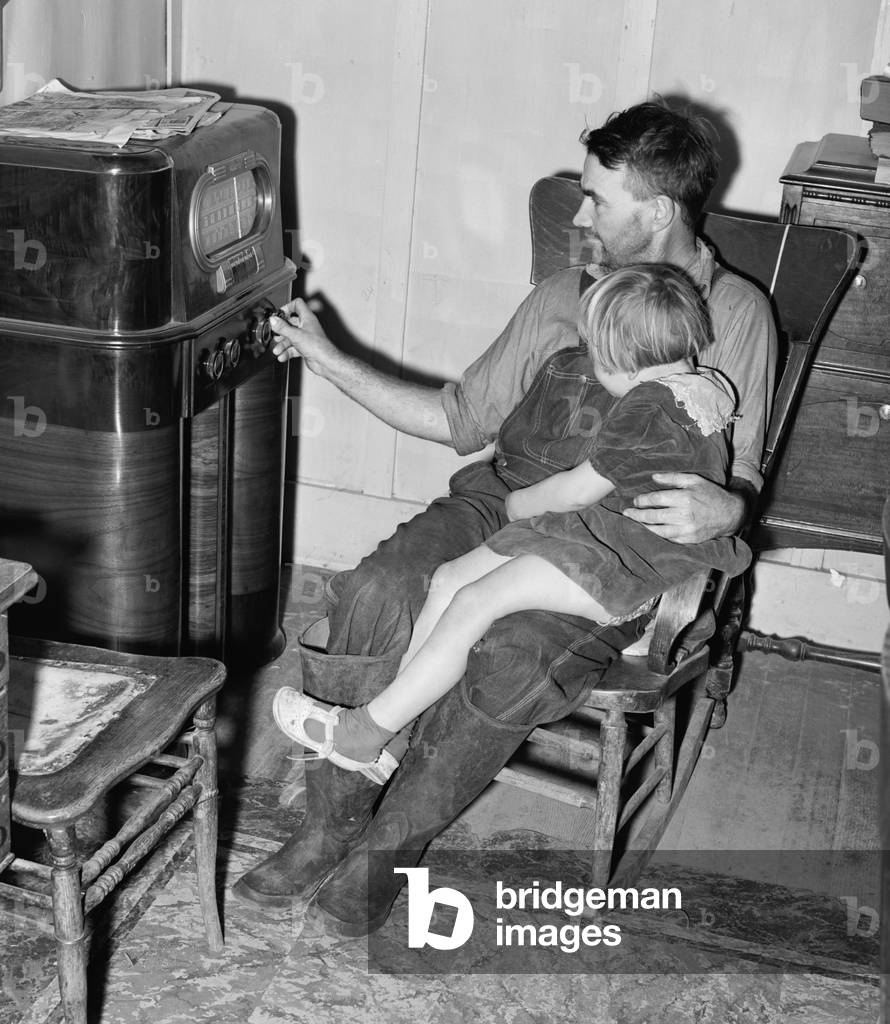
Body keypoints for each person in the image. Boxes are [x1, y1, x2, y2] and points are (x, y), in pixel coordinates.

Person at [233, 99, 777, 939]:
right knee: (381, 587)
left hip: (609, 540)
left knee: (509, 653)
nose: (581, 213)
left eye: (599, 197)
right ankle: (328, 824)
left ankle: (392, 849)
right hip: (503, 497)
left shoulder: (734, 315)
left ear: (660, 210)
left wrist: (727, 503)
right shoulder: (565, 294)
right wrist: (326, 357)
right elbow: (459, 417)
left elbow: (738, 481)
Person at [270, 265, 751, 779]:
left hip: (619, 562)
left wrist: (520, 504)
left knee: (476, 601)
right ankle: (394, 729)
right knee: (450, 579)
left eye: (596, 355)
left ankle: (363, 734)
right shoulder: (708, 388)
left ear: (625, 363)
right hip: (594, 536)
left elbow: (577, 490)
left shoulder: (647, 409)